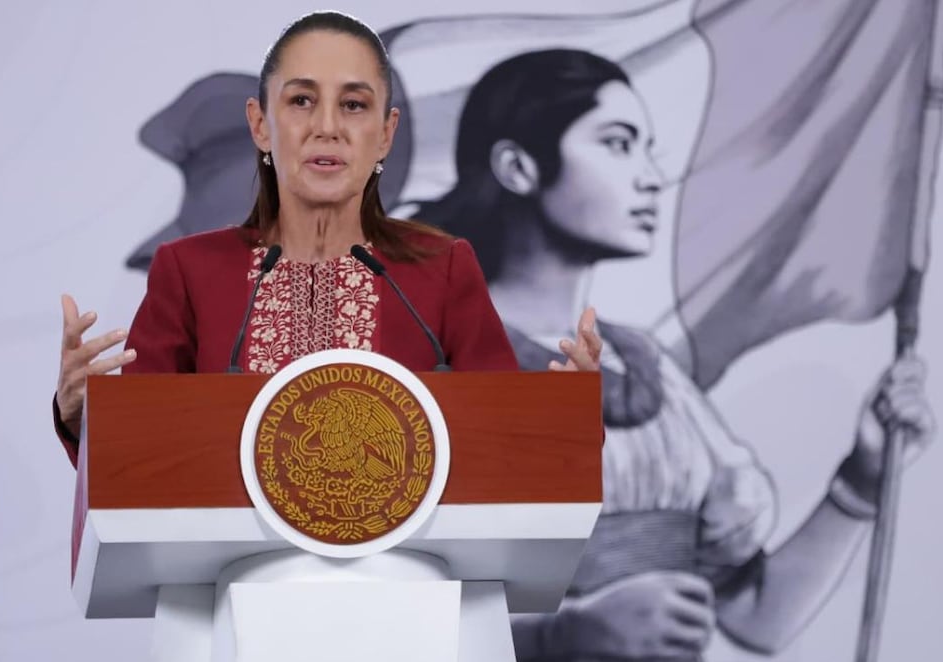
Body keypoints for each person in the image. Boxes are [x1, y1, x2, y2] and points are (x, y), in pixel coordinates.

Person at [409, 49, 935, 662]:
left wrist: (863, 477)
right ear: (518, 167)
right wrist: (561, 637)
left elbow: (754, 618)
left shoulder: (646, 369)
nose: (652, 176)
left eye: (647, 146)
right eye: (618, 143)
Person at [52, 12, 608, 468]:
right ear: (260, 124)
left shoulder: (442, 269)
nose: (327, 127)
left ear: (386, 133)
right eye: (300, 101)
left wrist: (568, 419)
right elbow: (140, 463)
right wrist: (80, 420)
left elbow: (508, 454)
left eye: (354, 104)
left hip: (411, 593)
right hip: (236, 594)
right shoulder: (190, 271)